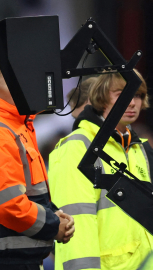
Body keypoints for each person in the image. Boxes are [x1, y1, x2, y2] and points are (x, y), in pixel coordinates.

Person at [0, 51, 75, 270]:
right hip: (4, 262)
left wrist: (53, 214)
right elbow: (8, 206)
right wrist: (52, 224)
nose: (23, 84)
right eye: (12, 80)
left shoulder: (18, 127)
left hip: (16, 259)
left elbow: (28, 195)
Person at [49, 70, 152, 270]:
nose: (132, 102)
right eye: (122, 94)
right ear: (102, 99)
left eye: (137, 95)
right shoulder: (76, 148)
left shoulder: (139, 148)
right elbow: (77, 230)